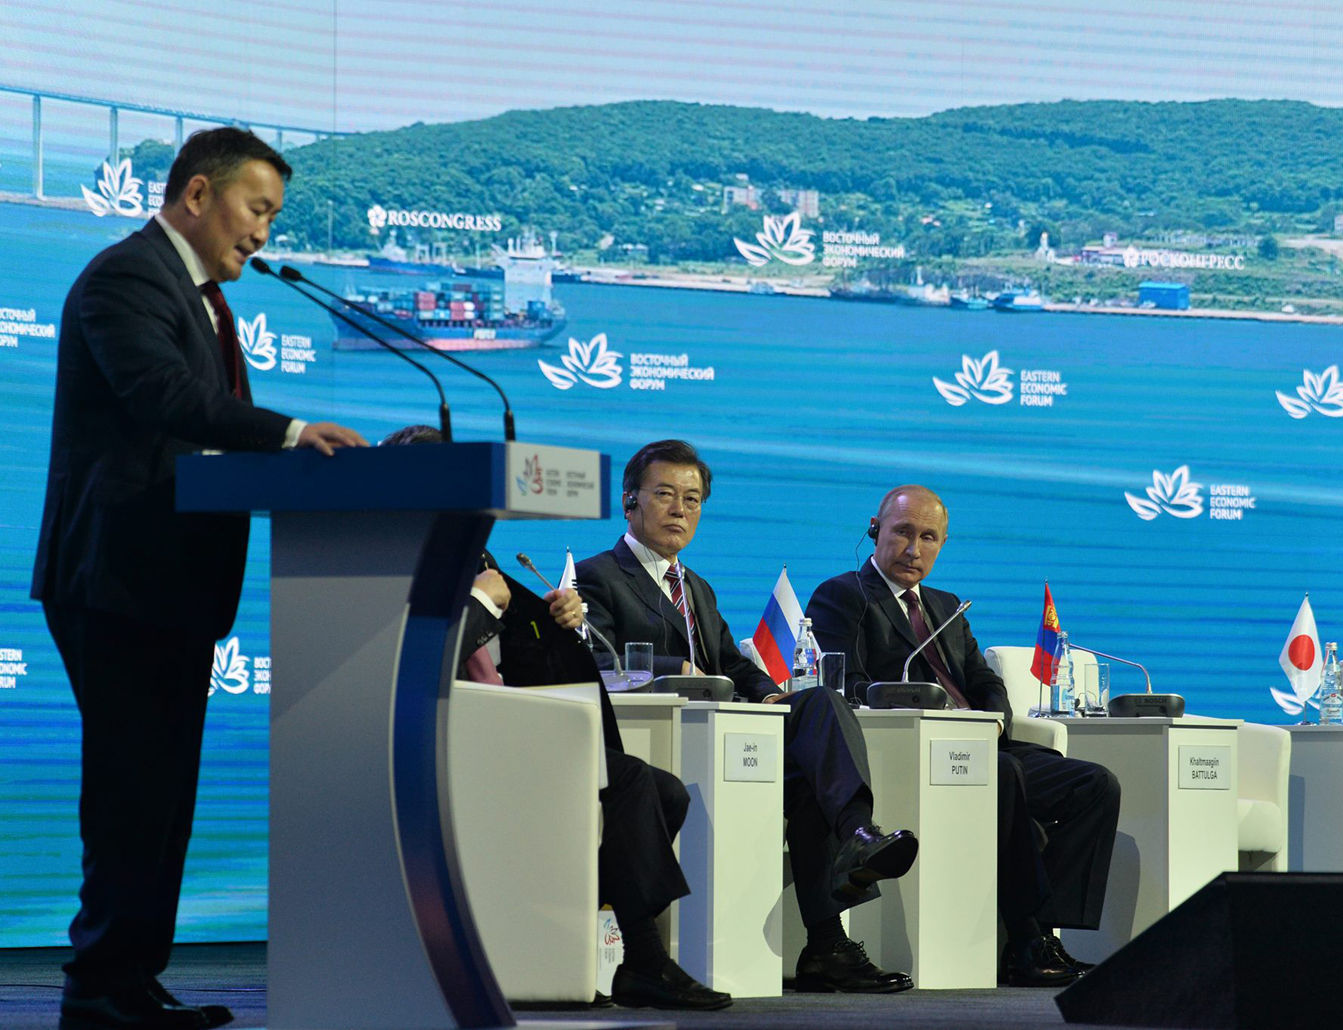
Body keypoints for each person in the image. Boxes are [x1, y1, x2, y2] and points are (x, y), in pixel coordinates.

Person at [31, 127, 367, 1030]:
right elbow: (166, 398)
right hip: (117, 577)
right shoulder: (128, 277)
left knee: (161, 791)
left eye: (273, 218)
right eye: (258, 210)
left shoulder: (201, 298)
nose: (264, 233)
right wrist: (291, 434)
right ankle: (99, 984)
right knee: (131, 788)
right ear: (197, 195)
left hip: (170, 583)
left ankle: (131, 978)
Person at [379, 425, 728, 1010]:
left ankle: (569, 934)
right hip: (440, 743)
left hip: (506, 730)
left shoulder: (471, 557)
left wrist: (554, 621)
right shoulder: (386, 560)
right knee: (630, 783)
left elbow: (513, 650)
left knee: (667, 792)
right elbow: (411, 664)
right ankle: (643, 961)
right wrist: (484, 602)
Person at [574, 440, 919, 994]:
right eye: (664, 495)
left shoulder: (697, 587)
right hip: (663, 746)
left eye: (692, 499)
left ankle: (847, 872)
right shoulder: (598, 576)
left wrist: (767, 696)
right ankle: (833, 920)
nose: (679, 510)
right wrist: (672, 666)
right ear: (629, 502)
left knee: (817, 715)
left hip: (726, 739)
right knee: (810, 772)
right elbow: (596, 658)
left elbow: (731, 663)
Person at [806, 485, 1120, 987]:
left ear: (942, 544)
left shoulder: (946, 605)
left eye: (928, 537)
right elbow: (847, 685)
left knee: (1094, 784)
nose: (914, 549)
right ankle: (1026, 942)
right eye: (903, 533)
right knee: (1004, 773)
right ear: (875, 531)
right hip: (911, 750)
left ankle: (1045, 929)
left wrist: (992, 719)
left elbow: (983, 681)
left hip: (982, 744)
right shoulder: (843, 596)